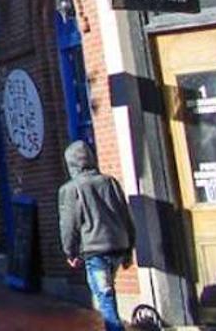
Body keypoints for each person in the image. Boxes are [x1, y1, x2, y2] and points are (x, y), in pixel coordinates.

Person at [59, 140, 135, 331]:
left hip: (96, 251)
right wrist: (129, 249)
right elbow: (125, 215)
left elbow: (69, 224)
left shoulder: (71, 189)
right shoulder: (110, 182)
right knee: (108, 291)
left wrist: (70, 252)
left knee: (105, 298)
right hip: (118, 246)